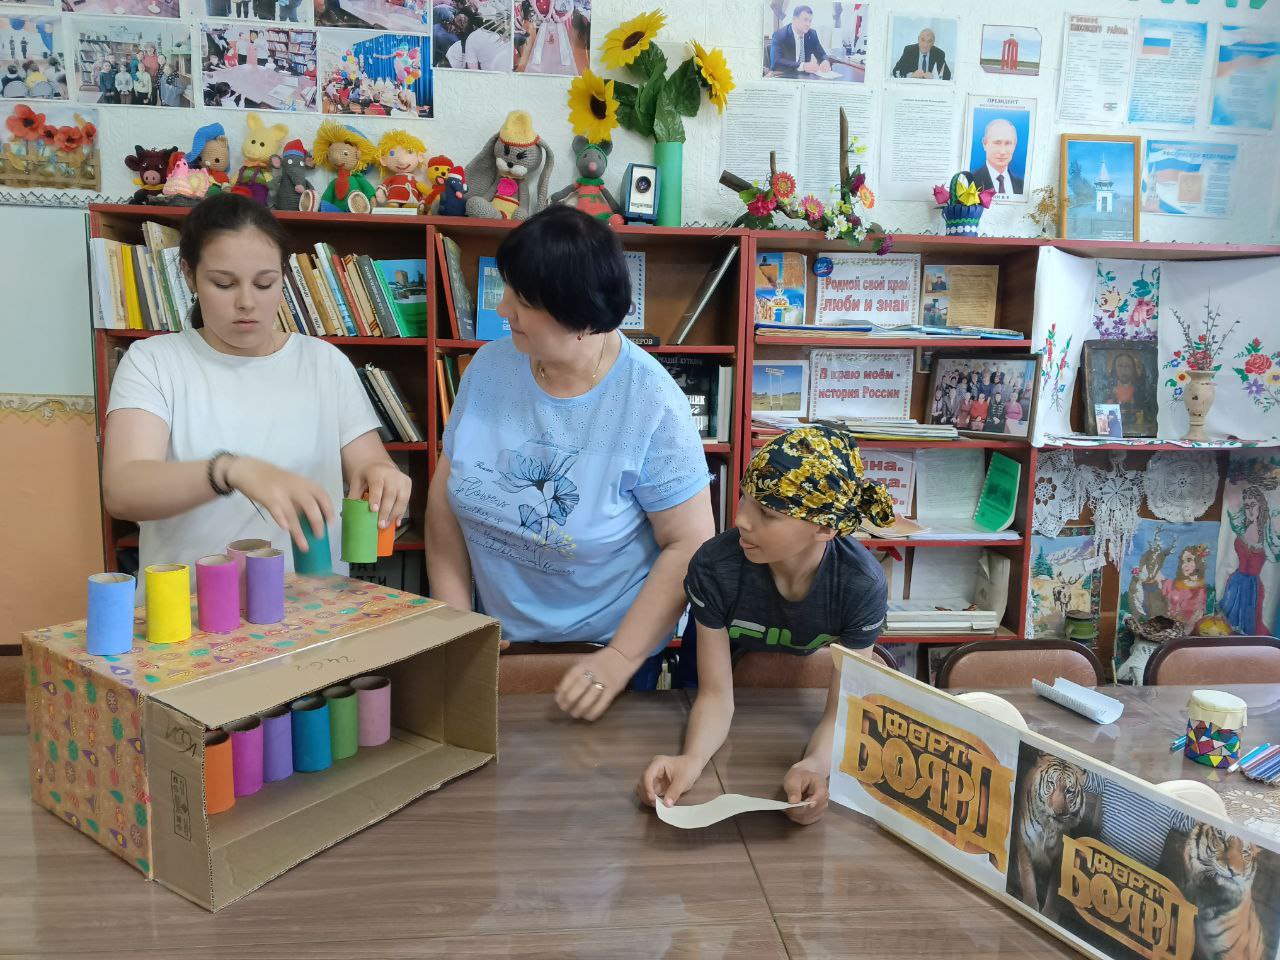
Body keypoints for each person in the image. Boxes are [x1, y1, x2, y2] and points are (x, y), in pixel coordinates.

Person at [427, 206, 715, 721]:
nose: (503, 308)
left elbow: (689, 544)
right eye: (508, 288)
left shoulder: (651, 402)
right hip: (496, 642)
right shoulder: (489, 367)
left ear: (581, 318)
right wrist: (457, 623)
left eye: (523, 300)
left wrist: (621, 658)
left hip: (605, 655)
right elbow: (446, 500)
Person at [102, 194, 411, 594]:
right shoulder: (154, 362)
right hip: (188, 612)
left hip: (312, 607)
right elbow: (123, 490)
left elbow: (367, 461)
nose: (246, 302)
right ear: (189, 275)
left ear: (284, 276)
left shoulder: (324, 362)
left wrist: (382, 475)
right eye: (224, 283)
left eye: (264, 283)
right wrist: (229, 470)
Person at [637, 426, 893, 824]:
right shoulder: (715, 567)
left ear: (825, 528)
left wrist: (814, 765)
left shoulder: (860, 585)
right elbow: (715, 697)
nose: (740, 518)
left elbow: (842, 709)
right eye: (745, 497)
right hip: (718, 676)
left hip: (781, 708)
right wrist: (691, 760)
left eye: (768, 513)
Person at [769, 5, 831, 79]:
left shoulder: (812, 34)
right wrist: (802, 66)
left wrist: (825, 61)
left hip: (804, 77)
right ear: (794, 19)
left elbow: (822, 54)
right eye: (805, 20)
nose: (808, 24)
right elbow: (775, 62)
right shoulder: (780, 35)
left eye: (810, 21)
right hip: (785, 75)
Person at [970, 118, 1023, 197]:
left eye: (1008, 143)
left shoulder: (1022, 185)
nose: (1002, 152)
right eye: (997, 143)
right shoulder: (970, 182)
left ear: (1014, 145)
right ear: (985, 144)